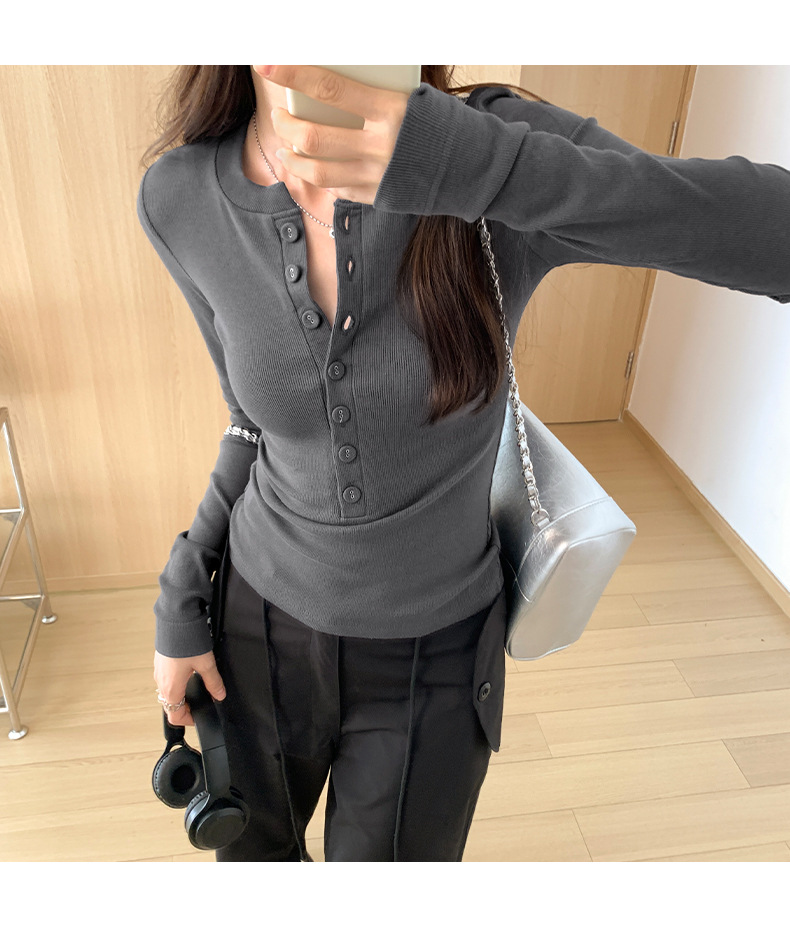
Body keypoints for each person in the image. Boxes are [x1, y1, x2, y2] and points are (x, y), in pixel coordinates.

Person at [138, 65, 790, 862]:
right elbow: (250, 425)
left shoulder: (485, 149)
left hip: (434, 657)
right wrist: (184, 589)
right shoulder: (180, 197)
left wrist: (471, 168)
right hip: (257, 627)